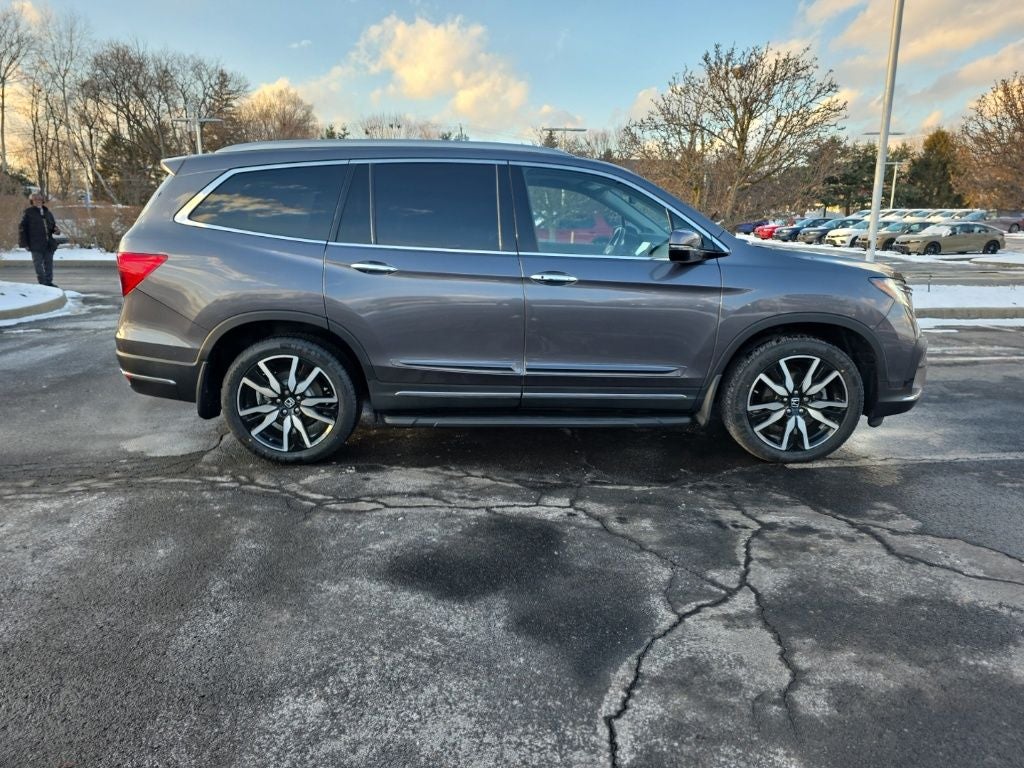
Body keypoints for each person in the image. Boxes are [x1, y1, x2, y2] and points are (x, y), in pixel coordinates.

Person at [18, 192, 61, 288]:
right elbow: (22, 229)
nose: (38, 201)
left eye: (40, 199)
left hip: (48, 243)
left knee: (49, 264)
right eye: (35, 199)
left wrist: (56, 230)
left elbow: (52, 226)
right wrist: (24, 244)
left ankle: (49, 282)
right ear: (32, 201)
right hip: (35, 243)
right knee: (38, 265)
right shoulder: (28, 213)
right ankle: (43, 283)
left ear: (42, 200)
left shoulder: (47, 212)